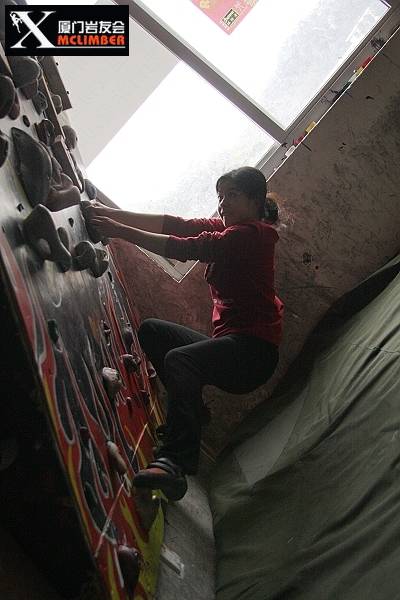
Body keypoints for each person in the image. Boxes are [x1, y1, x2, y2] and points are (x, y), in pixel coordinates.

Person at [83, 166, 283, 501]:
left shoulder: (252, 235)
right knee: (152, 332)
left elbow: (185, 247)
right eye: (220, 196)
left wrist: (117, 229)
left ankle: (175, 462)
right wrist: (109, 213)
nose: (222, 203)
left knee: (180, 360)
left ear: (255, 201)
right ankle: (193, 413)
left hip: (253, 355)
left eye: (232, 195)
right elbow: (178, 225)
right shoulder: (231, 229)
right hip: (234, 344)